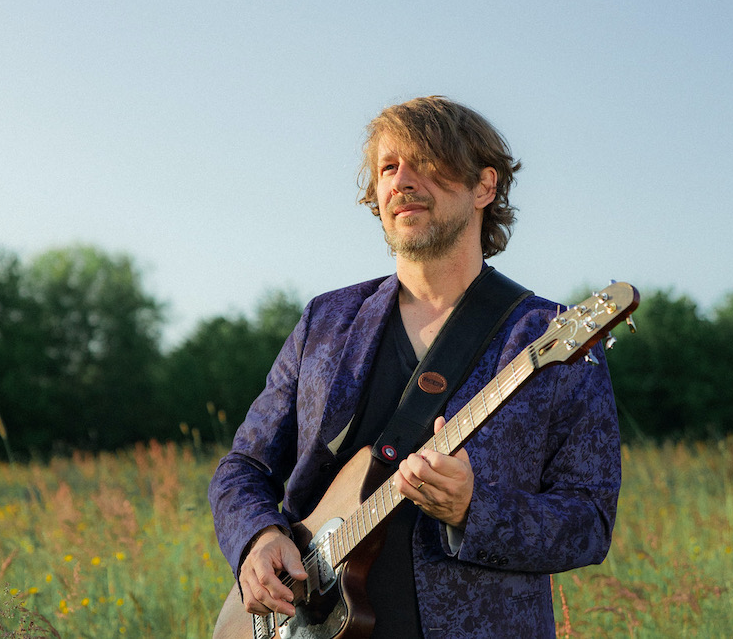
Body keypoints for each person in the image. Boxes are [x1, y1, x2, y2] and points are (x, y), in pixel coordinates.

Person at [209, 96, 621, 638]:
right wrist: (258, 538)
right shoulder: (325, 323)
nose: (402, 181)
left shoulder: (550, 337)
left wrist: (475, 509)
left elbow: (589, 521)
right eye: (388, 167)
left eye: (426, 161)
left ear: (484, 186)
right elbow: (244, 467)